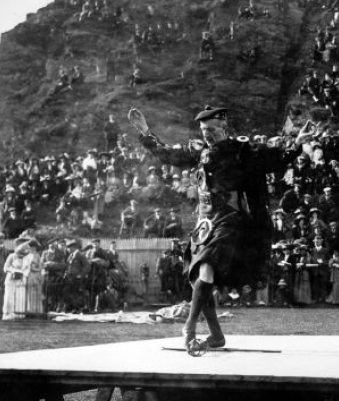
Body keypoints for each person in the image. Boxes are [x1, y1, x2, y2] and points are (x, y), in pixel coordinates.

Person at [128, 104, 309, 353]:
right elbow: (168, 154)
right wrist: (146, 132)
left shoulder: (241, 150)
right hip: (205, 222)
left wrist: (296, 143)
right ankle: (215, 335)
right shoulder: (199, 151)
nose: (206, 134)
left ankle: (189, 328)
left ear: (224, 127)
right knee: (198, 279)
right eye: (203, 129)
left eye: (211, 129)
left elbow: (273, 159)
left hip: (231, 219)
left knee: (207, 268)